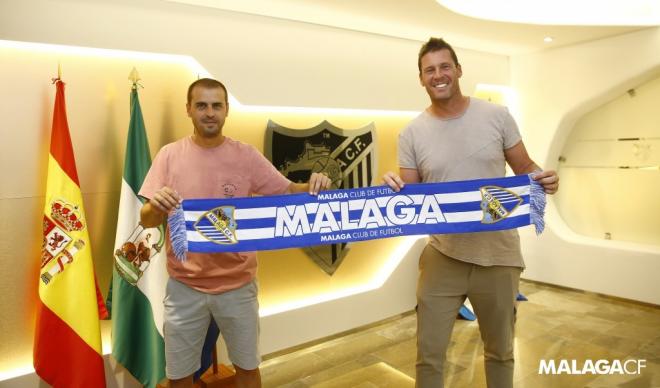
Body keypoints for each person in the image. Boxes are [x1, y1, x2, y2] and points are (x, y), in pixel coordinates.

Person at [383, 38, 559, 388]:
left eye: (444, 66)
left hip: (498, 255)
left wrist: (545, 178)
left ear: (459, 70)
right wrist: (390, 184)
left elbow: (525, 167)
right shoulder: (412, 133)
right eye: (429, 70)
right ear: (421, 79)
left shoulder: (497, 116)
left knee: (500, 352)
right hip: (443, 256)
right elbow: (412, 196)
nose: (438, 75)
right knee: (428, 355)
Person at [139, 78, 331, 388]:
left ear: (227, 110)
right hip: (184, 286)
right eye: (201, 105)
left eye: (217, 105)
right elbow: (147, 220)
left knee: (247, 367)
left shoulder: (246, 155)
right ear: (188, 109)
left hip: (238, 285)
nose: (210, 112)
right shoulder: (169, 155)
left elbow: (287, 192)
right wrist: (156, 207)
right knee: (178, 375)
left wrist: (314, 185)